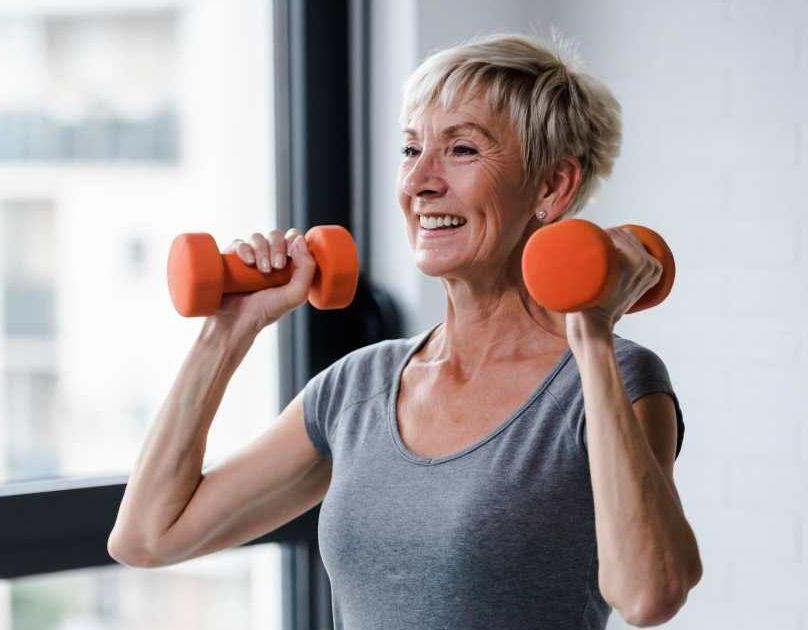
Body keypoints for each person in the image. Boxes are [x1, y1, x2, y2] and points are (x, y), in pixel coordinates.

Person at [108, 33, 701, 629]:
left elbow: (649, 595)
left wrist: (591, 335)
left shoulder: (614, 380)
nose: (420, 180)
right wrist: (226, 334)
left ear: (551, 187)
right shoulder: (357, 388)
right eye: (411, 148)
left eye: (462, 150)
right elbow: (148, 537)